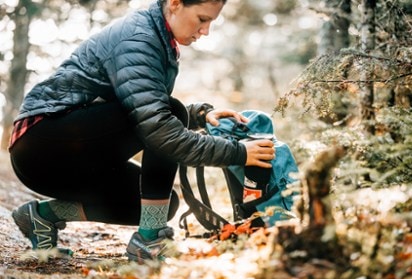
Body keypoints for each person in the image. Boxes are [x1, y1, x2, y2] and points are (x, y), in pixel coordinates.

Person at [9, 0, 275, 262]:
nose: (205, 31)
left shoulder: (156, 36)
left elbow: (141, 104)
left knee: (160, 205)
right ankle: (150, 242)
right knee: (170, 116)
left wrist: (200, 115)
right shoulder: (140, 39)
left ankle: (42, 216)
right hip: (41, 144)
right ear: (175, 4)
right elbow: (160, 129)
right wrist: (238, 153)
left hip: (68, 151)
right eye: (202, 19)